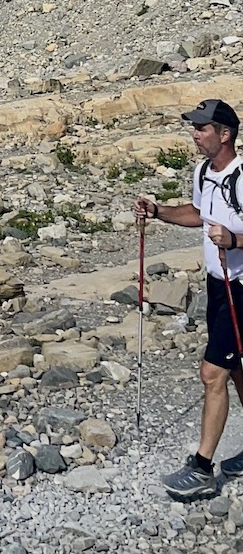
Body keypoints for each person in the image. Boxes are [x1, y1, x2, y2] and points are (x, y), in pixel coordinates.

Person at [139, 98, 243, 501]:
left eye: (202, 128)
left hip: (242, 290)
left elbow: (230, 231)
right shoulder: (205, 171)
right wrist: (158, 211)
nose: (195, 134)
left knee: (212, 373)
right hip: (219, 287)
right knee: (233, 370)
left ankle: (201, 468)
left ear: (225, 134)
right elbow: (199, 213)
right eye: (195, 127)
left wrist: (234, 240)